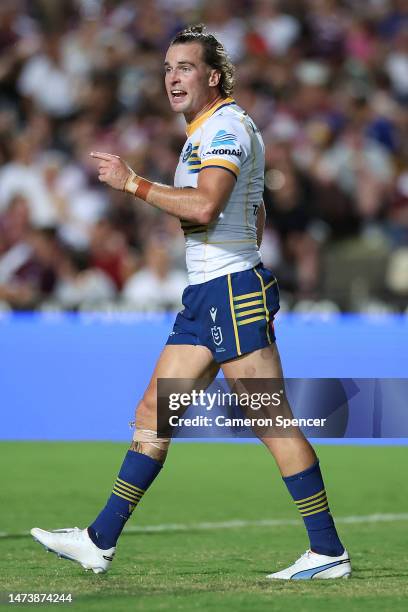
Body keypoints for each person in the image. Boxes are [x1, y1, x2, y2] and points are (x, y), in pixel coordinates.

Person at [31, 25, 351, 580]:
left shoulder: (223, 127)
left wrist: (134, 184)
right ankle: (98, 540)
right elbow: (251, 212)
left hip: (230, 294)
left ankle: (327, 551)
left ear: (214, 75)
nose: (172, 77)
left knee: (271, 422)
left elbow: (205, 207)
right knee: (153, 414)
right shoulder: (211, 128)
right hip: (207, 296)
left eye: (185, 67)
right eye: (167, 68)